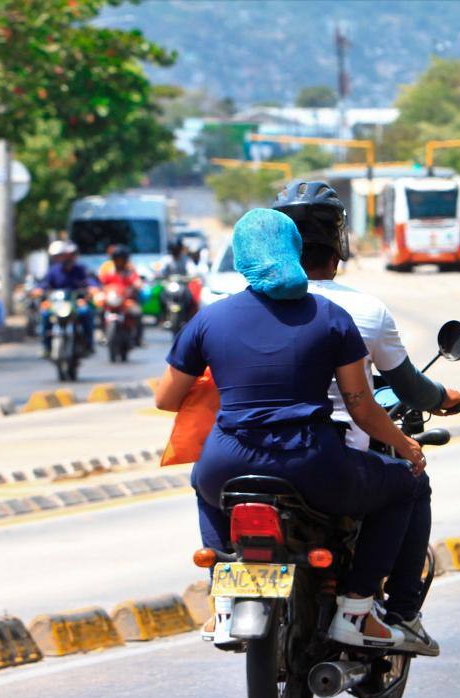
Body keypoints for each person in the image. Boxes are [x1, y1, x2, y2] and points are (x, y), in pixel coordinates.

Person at [154, 208, 432, 653]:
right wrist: (406, 446)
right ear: (295, 251)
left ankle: (224, 602)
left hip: (225, 463)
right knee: (405, 486)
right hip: (312, 465)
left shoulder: (209, 320)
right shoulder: (330, 316)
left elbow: (167, 399)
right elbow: (362, 408)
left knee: (202, 485)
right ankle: (356, 610)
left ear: (241, 259)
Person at [273, 180, 460, 655]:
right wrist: (434, 407)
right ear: (338, 242)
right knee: (410, 483)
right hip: (330, 457)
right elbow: (373, 399)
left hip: (241, 453)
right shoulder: (356, 310)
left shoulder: (241, 307)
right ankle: (388, 611)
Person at [38, 240, 97, 355]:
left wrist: (93, 288)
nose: (68, 258)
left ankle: (89, 344)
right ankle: (46, 347)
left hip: (76, 303)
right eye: (66, 255)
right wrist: (38, 290)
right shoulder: (53, 271)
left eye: (72, 255)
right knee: (45, 315)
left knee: (86, 312)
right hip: (58, 304)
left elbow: (90, 281)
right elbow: (44, 284)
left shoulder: (81, 269)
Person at [100, 245, 145, 347]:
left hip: (126, 302)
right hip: (112, 301)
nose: (119, 262)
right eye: (117, 259)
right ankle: (103, 334)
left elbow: (137, 282)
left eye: (122, 259)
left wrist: (137, 286)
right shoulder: (109, 273)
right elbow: (101, 284)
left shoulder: (130, 273)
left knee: (137, 313)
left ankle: (138, 339)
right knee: (100, 311)